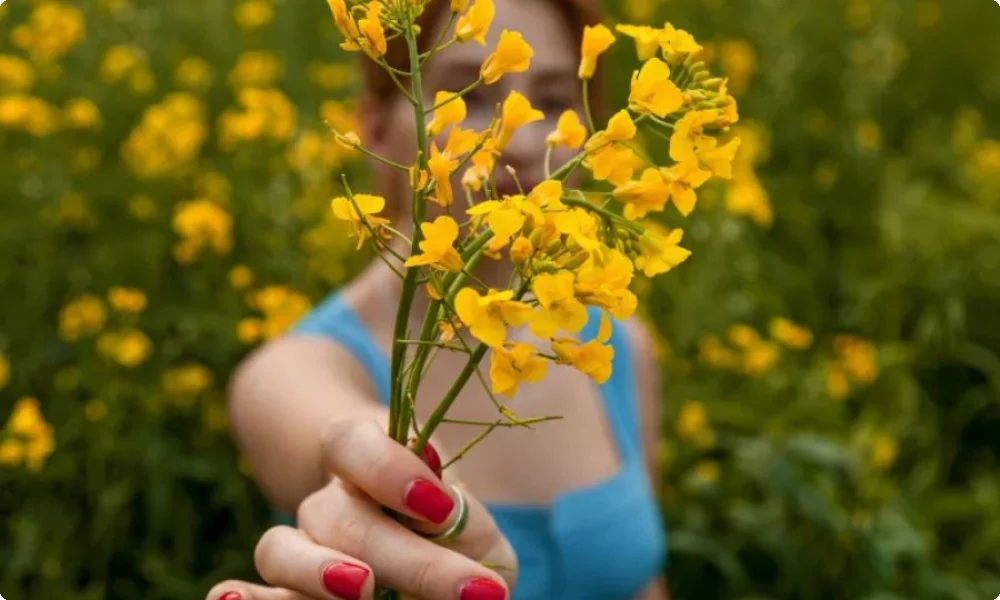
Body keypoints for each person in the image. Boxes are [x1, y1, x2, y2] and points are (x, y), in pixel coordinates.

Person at [207, 1, 670, 599]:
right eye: (468, 97)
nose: (524, 140)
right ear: (375, 129)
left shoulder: (621, 349)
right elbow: (339, 439)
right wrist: (379, 471)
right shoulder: (293, 370)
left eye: (555, 102)